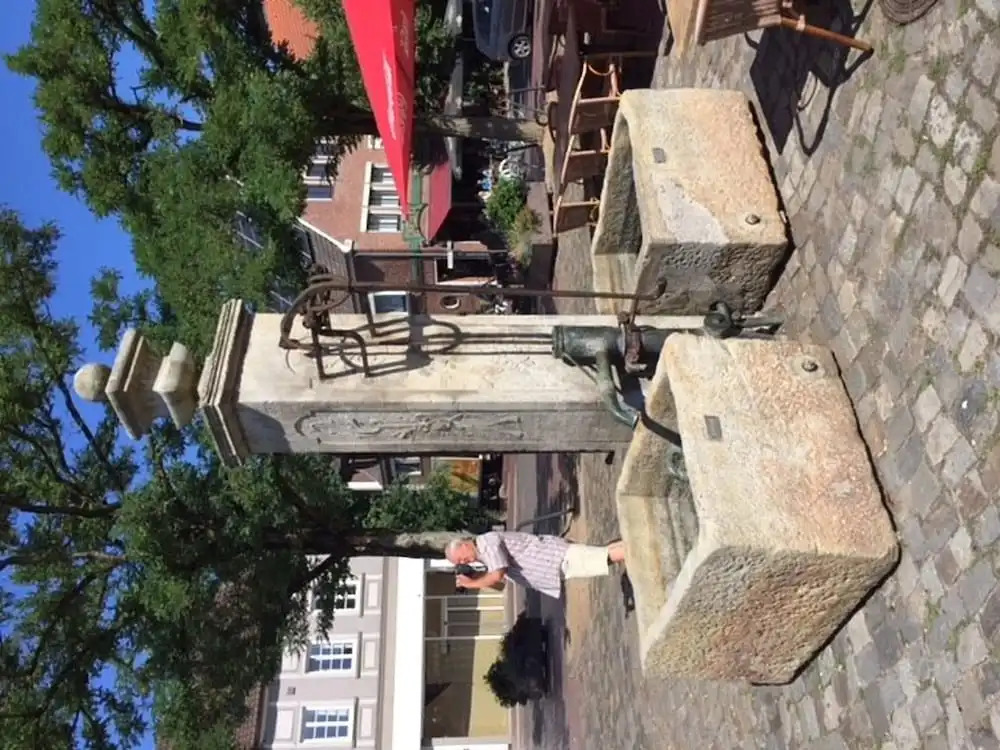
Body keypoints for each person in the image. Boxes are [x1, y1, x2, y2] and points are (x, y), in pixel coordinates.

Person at [444, 530, 626, 600]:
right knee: (603, 554)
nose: (464, 562)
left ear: (464, 545)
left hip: (555, 558)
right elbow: (500, 584)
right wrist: (476, 578)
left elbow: (497, 574)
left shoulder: (486, 543)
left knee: (603, 558)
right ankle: (634, 542)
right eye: (460, 563)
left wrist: (472, 584)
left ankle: (638, 548)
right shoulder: (485, 557)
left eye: (461, 558)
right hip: (555, 563)